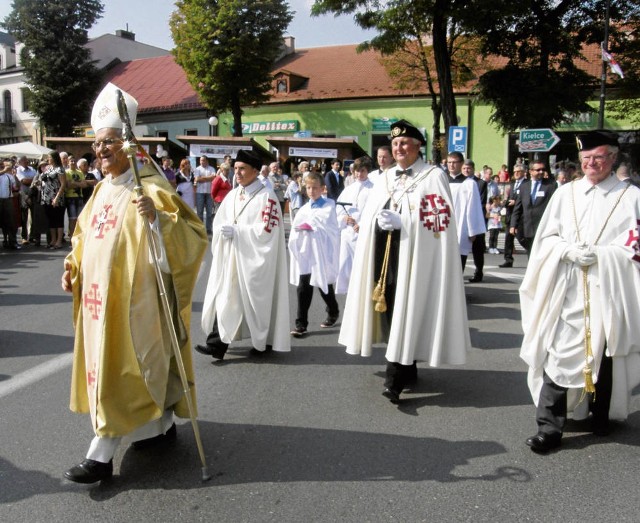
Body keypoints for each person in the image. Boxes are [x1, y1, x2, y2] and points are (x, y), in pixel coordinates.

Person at [60, 83, 208, 483]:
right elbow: (82, 236)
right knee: (127, 368)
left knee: (132, 365)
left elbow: (192, 239)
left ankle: (101, 453)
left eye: (108, 142)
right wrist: (72, 264)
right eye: (96, 144)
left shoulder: (150, 187)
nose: (100, 151)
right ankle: (155, 427)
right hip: (97, 301)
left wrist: (157, 221)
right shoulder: (101, 191)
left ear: (127, 143)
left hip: (137, 301)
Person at [520, 130, 640, 453]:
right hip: (569, 287)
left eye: (598, 157)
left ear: (613, 158)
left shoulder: (630, 198)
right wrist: (566, 251)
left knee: (606, 354)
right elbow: (546, 238)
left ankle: (600, 415)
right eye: (586, 158)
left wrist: (604, 255)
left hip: (608, 289)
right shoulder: (566, 194)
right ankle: (549, 427)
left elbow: (635, 247)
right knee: (559, 352)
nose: (591, 163)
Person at [339, 120, 470, 403]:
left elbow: (440, 223)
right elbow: (372, 211)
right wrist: (378, 220)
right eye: (395, 144)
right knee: (389, 312)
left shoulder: (433, 176)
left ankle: (394, 379)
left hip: (415, 258)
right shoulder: (384, 177)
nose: (399, 148)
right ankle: (406, 364)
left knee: (405, 310)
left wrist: (405, 221)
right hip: (383, 255)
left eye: (404, 143)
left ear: (418, 146)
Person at [197, 149, 290, 361]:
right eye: (235, 169)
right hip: (232, 257)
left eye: (242, 169)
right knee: (225, 297)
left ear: (255, 171)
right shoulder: (233, 194)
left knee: (254, 303)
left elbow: (268, 232)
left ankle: (262, 342)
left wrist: (239, 232)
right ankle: (216, 345)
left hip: (254, 260)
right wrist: (222, 231)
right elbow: (220, 220)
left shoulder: (267, 197)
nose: (237, 173)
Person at [289, 171, 340, 337]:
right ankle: (300, 324)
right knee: (304, 287)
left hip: (322, 252)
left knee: (323, 285)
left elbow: (332, 228)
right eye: (309, 188)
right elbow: (296, 228)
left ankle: (333, 310)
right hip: (307, 252)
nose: (312, 191)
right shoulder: (303, 209)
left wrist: (315, 229)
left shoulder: (330, 206)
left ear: (322, 188)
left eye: (315, 188)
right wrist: (300, 231)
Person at [335, 156, 374, 294]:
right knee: (345, 263)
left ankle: (361, 291)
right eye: (357, 171)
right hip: (347, 232)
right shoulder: (349, 189)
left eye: (362, 171)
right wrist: (344, 218)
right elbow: (338, 207)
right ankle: (347, 291)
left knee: (362, 264)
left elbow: (374, 210)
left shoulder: (373, 189)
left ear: (367, 171)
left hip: (363, 232)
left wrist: (362, 224)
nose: (359, 174)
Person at [446, 152, 486, 271]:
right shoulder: (441, 181)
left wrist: (472, 230)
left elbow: (473, 207)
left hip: (461, 225)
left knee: (458, 260)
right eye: (449, 162)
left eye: (454, 162)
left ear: (461, 164)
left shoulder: (469, 184)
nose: (451, 165)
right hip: (444, 224)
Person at [510, 159, 556, 257]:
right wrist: (513, 225)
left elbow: (555, 206)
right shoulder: (524, 187)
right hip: (528, 228)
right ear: (530, 171)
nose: (541, 172)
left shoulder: (550, 185)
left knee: (542, 256)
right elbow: (518, 208)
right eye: (538, 170)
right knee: (531, 255)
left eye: (543, 169)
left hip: (543, 227)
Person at [463, 159, 487, 283]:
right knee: (462, 248)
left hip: (477, 219)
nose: (466, 171)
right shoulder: (460, 182)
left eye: (469, 168)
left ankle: (479, 271)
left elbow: (481, 203)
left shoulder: (480, 183)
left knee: (478, 249)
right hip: (462, 221)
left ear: (473, 169)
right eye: (464, 168)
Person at [499, 164, 526, 268]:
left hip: (521, 216)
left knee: (522, 238)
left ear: (524, 172)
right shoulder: (512, 184)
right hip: (510, 214)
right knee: (508, 239)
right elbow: (508, 197)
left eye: (519, 171)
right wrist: (506, 202)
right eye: (515, 172)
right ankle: (508, 259)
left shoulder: (526, 184)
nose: (516, 173)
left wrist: (516, 201)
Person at [40, 152, 67, 249]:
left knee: (58, 219)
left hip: (56, 198)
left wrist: (57, 198)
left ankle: (59, 241)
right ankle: (53, 240)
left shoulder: (60, 169)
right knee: (51, 220)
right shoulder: (48, 169)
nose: (48, 159)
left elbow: (63, 184)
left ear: (54, 158)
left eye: (49, 157)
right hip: (46, 198)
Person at [15, 156, 36, 245]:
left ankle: (32, 236)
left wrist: (31, 181)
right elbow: (23, 181)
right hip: (23, 194)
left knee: (34, 217)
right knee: (24, 217)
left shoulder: (32, 169)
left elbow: (37, 180)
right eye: (24, 160)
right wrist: (33, 180)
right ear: (20, 162)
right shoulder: (18, 170)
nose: (27, 161)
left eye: (27, 160)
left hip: (33, 194)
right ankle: (24, 237)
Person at [0, 158, 20, 249]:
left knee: (10, 221)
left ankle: (12, 241)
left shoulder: (8, 176)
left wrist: (15, 176)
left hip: (7, 200)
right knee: (2, 222)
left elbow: (16, 186)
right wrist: (4, 171)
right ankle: (4, 239)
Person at [64, 155, 85, 239]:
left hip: (79, 197)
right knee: (72, 219)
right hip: (70, 198)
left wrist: (74, 183)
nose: (73, 162)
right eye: (71, 161)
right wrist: (78, 183)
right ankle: (72, 236)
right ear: (68, 163)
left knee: (79, 219)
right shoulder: (67, 172)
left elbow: (84, 184)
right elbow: (68, 185)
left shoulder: (79, 172)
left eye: (74, 161)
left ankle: (78, 236)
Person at [194, 155, 216, 234]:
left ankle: (208, 229)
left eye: (203, 160)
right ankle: (201, 229)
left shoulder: (212, 168)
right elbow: (197, 179)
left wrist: (202, 178)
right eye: (200, 160)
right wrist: (208, 178)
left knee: (209, 212)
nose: (202, 162)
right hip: (200, 192)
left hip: (209, 193)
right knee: (199, 212)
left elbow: (214, 178)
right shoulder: (197, 169)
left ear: (207, 161)